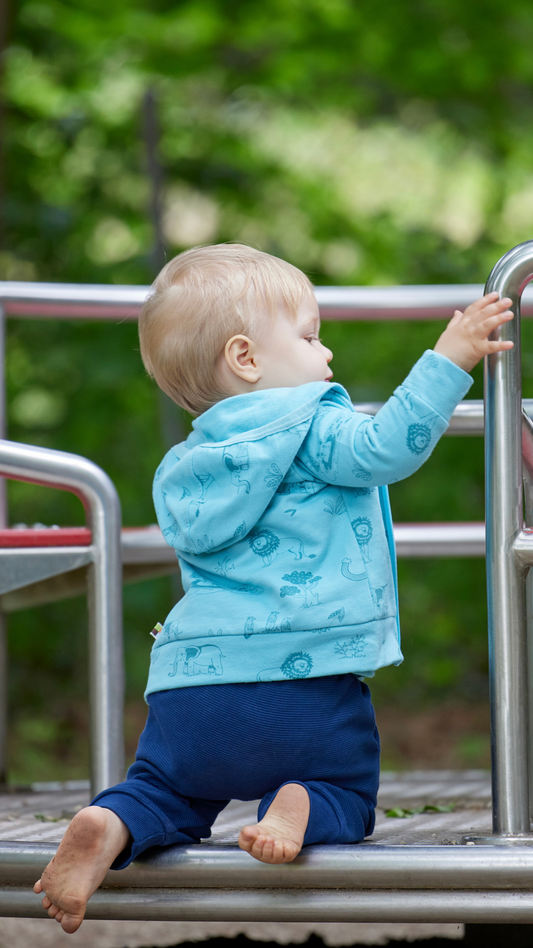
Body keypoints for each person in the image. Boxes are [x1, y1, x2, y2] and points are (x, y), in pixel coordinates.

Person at [34, 244, 514, 933]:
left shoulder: (186, 464)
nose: (325, 356)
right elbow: (387, 445)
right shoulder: (312, 427)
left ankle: (108, 822)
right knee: (345, 792)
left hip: (191, 690)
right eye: (311, 336)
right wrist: (448, 358)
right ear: (246, 358)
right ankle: (299, 803)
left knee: (165, 792)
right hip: (303, 688)